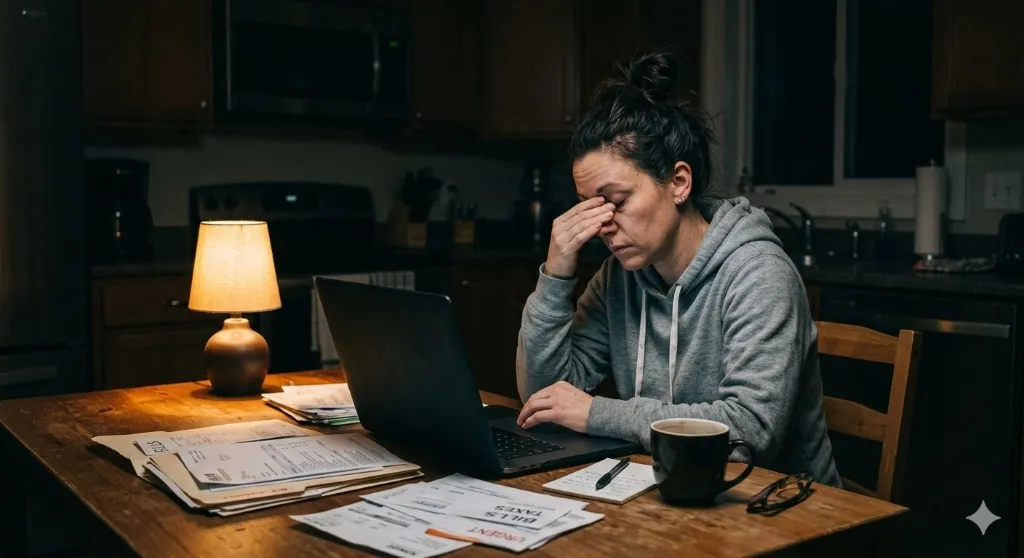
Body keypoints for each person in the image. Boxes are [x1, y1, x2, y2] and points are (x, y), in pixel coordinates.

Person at [514, 50, 841, 487]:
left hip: (782, 507)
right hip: (672, 491)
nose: (602, 225)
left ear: (679, 183)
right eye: (589, 206)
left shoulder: (759, 273)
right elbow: (545, 398)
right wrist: (555, 278)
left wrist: (598, 413)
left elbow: (751, 433)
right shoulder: (618, 278)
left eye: (617, 201)